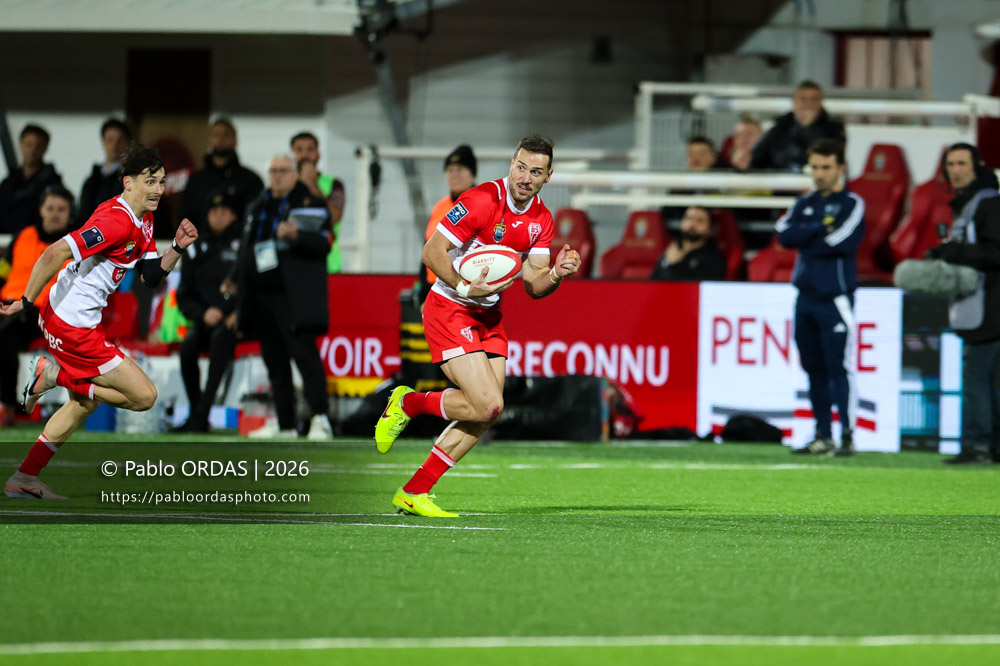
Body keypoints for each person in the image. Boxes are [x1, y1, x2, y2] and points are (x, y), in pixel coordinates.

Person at [373, 134, 582, 517]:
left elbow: (534, 284)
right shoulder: (481, 200)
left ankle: (414, 491)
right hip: (449, 308)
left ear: (548, 176)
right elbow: (432, 252)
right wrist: (465, 285)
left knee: (486, 410)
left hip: (488, 316)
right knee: (487, 404)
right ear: (511, 163)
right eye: (521, 167)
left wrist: (556, 272)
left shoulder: (541, 220)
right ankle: (408, 403)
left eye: (536, 171)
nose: (525, 177)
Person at [1, 142, 198, 499]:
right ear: (128, 182)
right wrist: (25, 302)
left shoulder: (145, 219)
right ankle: (53, 374)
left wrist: (177, 249)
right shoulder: (116, 221)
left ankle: (25, 478)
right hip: (70, 323)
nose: (158, 189)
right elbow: (53, 252)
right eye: (150, 181)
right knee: (144, 397)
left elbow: (149, 276)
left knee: (83, 403)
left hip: (74, 319)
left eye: (162, 182)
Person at [228, 154, 333, 441]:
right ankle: (286, 424)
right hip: (261, 294)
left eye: (283, 171)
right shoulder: (259, 204)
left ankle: (320, 419)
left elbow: (324, 243)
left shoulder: (308, 203)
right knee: (274, 360)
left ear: (295, 174)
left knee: (304, 356)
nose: (276, 176)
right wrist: (235, 278)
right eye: (273, 170)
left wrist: (297, 236)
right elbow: (248, 248)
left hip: (292, 294)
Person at [776, 138, 865, 457]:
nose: (819, 174)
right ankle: (822, 434)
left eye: (826, 167)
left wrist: (806, 234)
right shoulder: (804, 203)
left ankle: (848, 436)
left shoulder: (852, 203)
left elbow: (840, 242)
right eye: (814, 167)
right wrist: (819, 228)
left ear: (840, 168)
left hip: (835, 298)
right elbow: (784, 234)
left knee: (837, 367)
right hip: (805, 298)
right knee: (813, 367)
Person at [925, 143, 1000, 464]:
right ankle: (990, 445)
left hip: (991, 305)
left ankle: (978, 444)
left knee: (978, 376)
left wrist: (950, 252)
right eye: (950, 164)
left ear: (977, 167)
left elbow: (995, 253)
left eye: (962, 164)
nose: (955, 171)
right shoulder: (974, 204)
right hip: (981, 303)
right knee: (987, 378)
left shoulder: (989, 205)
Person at [0, 185, 74, 426]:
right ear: (41, 209)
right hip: (7, 306)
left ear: (69, 213)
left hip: (42, 312)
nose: (54, 214)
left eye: (61, 209)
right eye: (50, 208)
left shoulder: (72, 247)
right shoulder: (23, 236)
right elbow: (4, 271)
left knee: (5, 338)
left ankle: (8, 406)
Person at [174, 191, 242, 433]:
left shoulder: (244, 245)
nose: (219, 216)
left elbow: (254, 288)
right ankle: (197, 411)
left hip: (234, 322)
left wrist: (239, 313)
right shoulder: (195, 249)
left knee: (220, 340)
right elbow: (184, 294)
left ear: (234, 216)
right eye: (214, 211)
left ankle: (202, 414)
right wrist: (202, 314)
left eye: (225, 211)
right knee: (187, 348)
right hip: (205, 319)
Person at [178, 118, 263, 230]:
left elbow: (257, 218)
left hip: (239, 244)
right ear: (209, 140)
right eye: (216, 135)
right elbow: (185, 217)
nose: (220, 139)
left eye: (226, 135)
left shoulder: (251, 181)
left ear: (235, 141)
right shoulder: (196, 180)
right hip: (198, 242)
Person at [751, 81, 846, 172]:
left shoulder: (834, 130)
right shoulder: (779, 128)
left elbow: (832, 159)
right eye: (803, 99)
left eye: (814, 99)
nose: (808, 105)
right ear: (794, 103)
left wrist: (807, 128)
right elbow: (756, 159)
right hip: (781, 185)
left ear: (820, 103)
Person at [290, 132, 346, 274]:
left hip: (327, 265)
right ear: (293, 155)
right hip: (292, 263)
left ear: (318, 154)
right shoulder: (285, 185)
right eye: (299, 150)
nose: (305, 155)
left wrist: (312, 184)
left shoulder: (334, 184)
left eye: (310, 149)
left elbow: (333, 216)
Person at [423, 144, 477, 286]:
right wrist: (422, 288)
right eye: (450, 170)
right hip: (435, 287)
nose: (454, 174)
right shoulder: (439, 207)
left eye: (460, 169)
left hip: (466, 287)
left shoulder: (484, 205)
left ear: (472, 174)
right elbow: (428, 246)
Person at [0, 125, 64, 235]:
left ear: (45, 149)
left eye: (38, 146)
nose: (32, 151)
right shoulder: (7, 183)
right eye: (28, 145)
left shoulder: (53, 185)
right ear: (20, 145)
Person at [650, 206, 726, 281]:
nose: (692, 224)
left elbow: (691, 288)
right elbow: (652, 281)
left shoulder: (713, 259)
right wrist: (667, 262)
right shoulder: (673, 248)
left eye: (700, 221)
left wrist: (672, 265)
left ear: (711, 228)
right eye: (688, 218)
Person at [78, 118, 131, 224]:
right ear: (103, 142)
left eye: (119, 140)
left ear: (127, 143)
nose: (114, 145)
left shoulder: (132, 180)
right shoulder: (91, 181)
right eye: (110, 140)